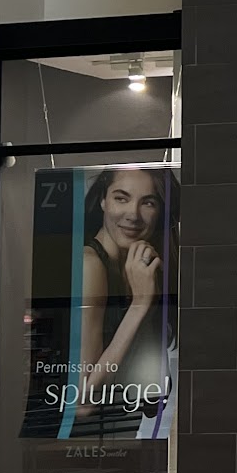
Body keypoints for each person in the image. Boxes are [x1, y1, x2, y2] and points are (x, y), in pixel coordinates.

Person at [77, 166, 175, 433]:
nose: (133, 214)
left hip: (123, 435)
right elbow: (82, 403)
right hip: (85, 444)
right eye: (121, 198)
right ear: (103, 201)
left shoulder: (137, 270)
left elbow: (154, 398)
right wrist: (140, 305)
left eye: (148, 203)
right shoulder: (90, 266)